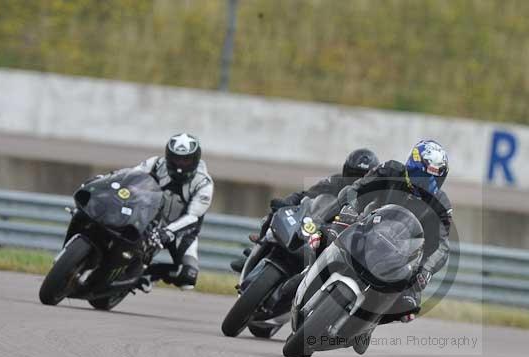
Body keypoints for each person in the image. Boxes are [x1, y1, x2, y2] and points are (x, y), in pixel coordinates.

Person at [339, 139, 452, 335]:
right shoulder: (390, 170)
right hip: (368, 228)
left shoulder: (441, 203)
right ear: (411, 166)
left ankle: (369, 324)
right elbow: (357, 189)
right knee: (326, 238)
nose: (426, 182)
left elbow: (442, 245)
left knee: (408, 307)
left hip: (402, 255)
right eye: (421, 176)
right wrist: (350, 207)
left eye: (433, 179)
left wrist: (426, 270)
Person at [93, 133, 214, 290]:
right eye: (176, 158)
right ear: (168, 156)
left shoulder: (204, 183)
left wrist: (168, 232)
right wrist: (107, 181)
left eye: (186, 159)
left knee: (188, 278)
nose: (180, 165)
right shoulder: (156, 164)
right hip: (148, 215)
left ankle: (148, 275)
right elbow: (130, 175)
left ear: (195, 159)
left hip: (182, 232)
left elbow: (193, 216)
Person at [229, 148, 379, 273]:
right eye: (352, 175)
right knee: (279, 212)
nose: (356, 180)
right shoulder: (336, 181)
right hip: (316, 223)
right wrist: (288, 202)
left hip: (337, 239)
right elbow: (305, 194)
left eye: (362, 177)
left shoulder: (373, 198)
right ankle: (256, 251)